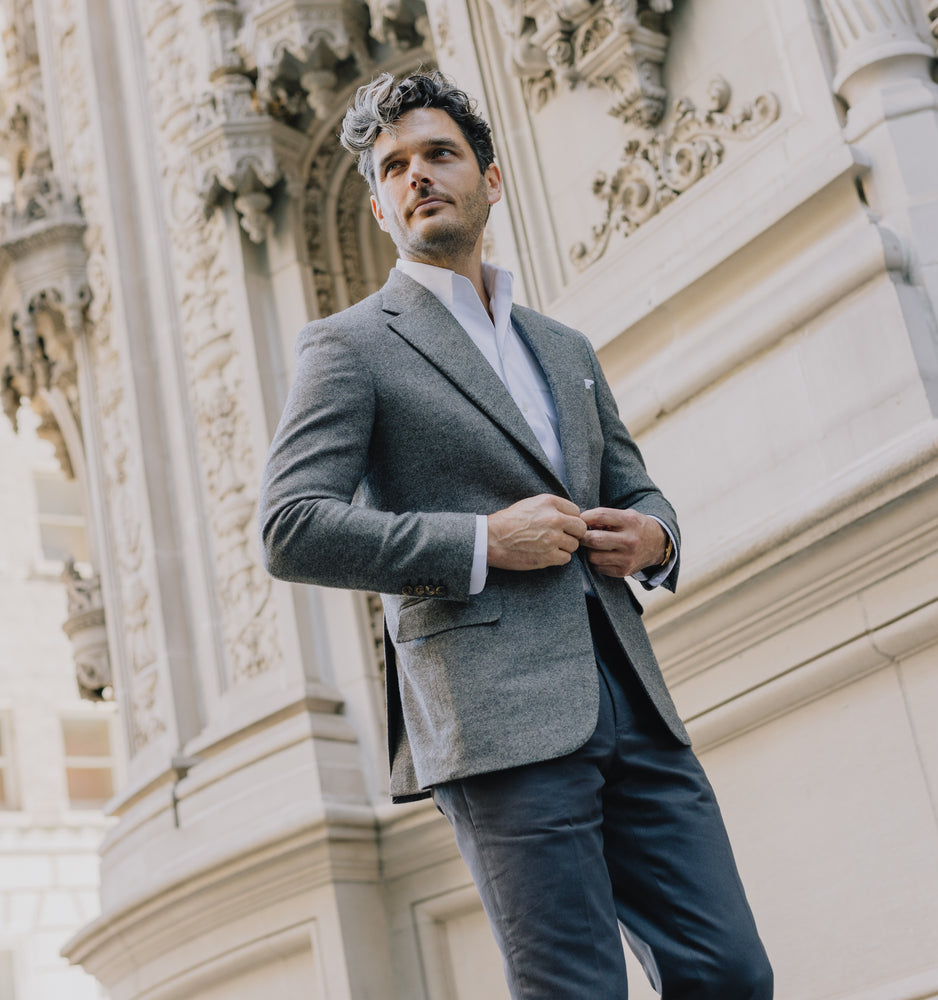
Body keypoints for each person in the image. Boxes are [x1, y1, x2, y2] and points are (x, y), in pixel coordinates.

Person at [259, 71, 772, 1000]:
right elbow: (291, 528)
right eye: (395, 167)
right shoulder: (349, 345)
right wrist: (481, 542)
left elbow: (638, 486)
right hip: (494, 719)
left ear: (490, 181)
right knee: (575, 989)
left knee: (730, 973)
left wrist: (652, 537)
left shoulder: (564, 346)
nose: (418, 176)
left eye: (440, 154)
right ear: (378, 208)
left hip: (630, 695)